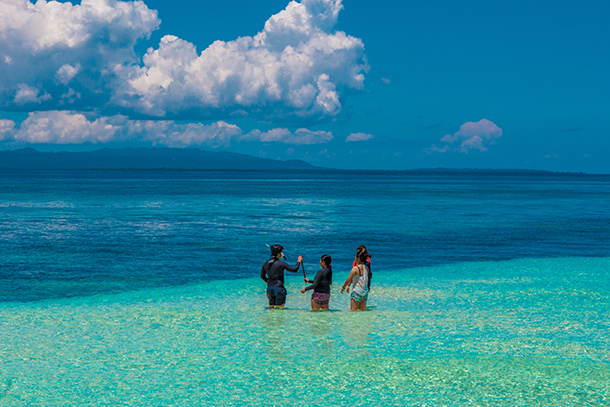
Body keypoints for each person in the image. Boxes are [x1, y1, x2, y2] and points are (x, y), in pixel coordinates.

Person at [260, 244, 303, 309]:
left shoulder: (265, 263)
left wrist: (269, 282)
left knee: (271, 308)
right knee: (279, 310)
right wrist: (298, 262)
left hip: (269, 289)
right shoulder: (281, 264)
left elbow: (262, 276)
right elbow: (294, 270)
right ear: (279, 253)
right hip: (279, 289)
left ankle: (271, 319)